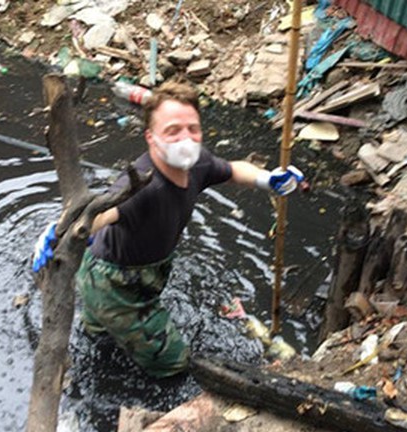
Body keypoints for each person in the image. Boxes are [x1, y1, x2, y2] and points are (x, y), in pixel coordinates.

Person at [33, 81, 303, 378]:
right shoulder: (142, 186)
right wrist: (58, 231)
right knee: (174, 365)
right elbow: (98, 215)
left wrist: (268, 179)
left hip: (132, 268)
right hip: (116, 284)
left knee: (100, 336)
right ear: (151, 137)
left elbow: (234, 169)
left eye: (193, 129)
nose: (185, 139)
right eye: (173, 131)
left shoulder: (198, 163)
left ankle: (102, 332)